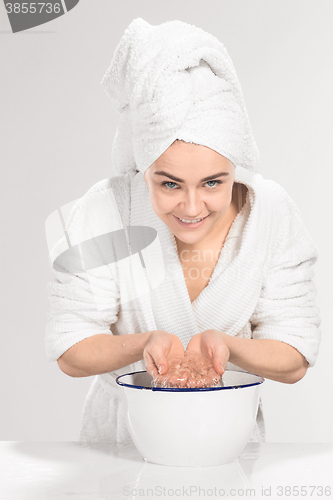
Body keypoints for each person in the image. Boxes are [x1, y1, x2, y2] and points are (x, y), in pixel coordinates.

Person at [45, 18, 321, 444]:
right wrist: (144, 344)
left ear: (235, 164)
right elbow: (70, 345)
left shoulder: (273, 216)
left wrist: (230, 347)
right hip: (117, 447)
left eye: (213, 182)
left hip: (229, 445)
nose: (192, 208)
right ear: (144, 168)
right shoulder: (105, 210)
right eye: (169, 183)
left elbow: (295, 358)